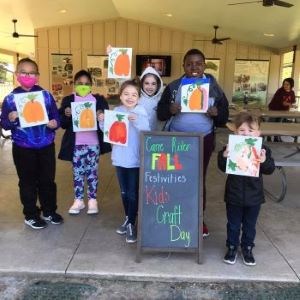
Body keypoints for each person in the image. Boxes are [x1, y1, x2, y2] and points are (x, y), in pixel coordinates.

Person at [157, 48, 229, 237]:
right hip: (176, 140)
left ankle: (197, 218)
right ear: (184, 66)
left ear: (204, 65)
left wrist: (216, 113)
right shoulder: (174, 87)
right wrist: (170, 109)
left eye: (198, 63)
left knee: (198, 179)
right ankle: (174, 216)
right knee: (175, 179)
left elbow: (224, 116)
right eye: (189, 63)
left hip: (203, 139)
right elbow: (161, 112)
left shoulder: (213, 87)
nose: (194, 67)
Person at [0, 57, 63, 229]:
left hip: (46, 145)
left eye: (32, 73)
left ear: (38, 75)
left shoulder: (45, 95)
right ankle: (31, 214)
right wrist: (11, 119)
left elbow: (56, 117)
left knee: (47, 180)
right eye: (24, 73)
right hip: (23, 147)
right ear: (17, 75)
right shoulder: (11, 99)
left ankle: (49, 210)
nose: (28, 76)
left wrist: (54, 124)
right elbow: (4, 123)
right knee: (27, 181)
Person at [218, 111, 275, 266]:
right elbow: (222, 167)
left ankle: (247, 248)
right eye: (242, 130)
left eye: (251, 131)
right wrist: (224, 155)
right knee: (233, 224)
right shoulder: (229, 147)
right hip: (234, 195)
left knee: (250, 225)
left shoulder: (263, 149)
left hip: (254, 196)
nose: (246, 134)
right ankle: (231, 247)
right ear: (235, 131)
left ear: (259, 133)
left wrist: (263, 161)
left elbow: (270, 169)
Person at [98, 79, 150, 243]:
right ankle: (128, 218)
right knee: (124, 192)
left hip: (135, 160)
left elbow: (146, 130)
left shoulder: (141, 112)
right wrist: (101, 119)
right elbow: (106, 130)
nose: (130, 97)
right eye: (126, 94)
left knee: (133, 193)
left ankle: (131, 222)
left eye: (134, 94)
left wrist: (136, 120)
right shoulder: (117, 111)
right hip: (120, 158)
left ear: (139, 98)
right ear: (120, 96)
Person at [58, 70, 111, 215]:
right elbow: (62, 123)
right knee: (78, 173)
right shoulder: (69, 100)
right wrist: (66, 113)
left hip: (93, 144)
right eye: (80, 84)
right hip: (76, 144)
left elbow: (107, 119)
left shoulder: (98, 100)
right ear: (75, 84)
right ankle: (79, 200)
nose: (83, 86)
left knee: (92, 173)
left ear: (91, 85)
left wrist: (102, 115)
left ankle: (93, 200)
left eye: (87, 84)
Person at [268, 77, 296, 142]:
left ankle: (276, 138)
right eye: (284, 84)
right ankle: (268, 136)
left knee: (279, 124)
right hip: (274, 109)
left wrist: (290, 107)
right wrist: (289, 105)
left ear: (291, 85)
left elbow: (292, 101)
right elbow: (282, 102)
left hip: (283, 111)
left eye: (287, 84)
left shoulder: (292, 92)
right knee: (271, 124)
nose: (285, 86)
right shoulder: (280, 91)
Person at [139, 66, 164, 130]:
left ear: (158, 85)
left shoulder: (161, 100)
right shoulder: (136, 100)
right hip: (139, 136)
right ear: (142, 84)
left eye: (153, 84)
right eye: (147, 83)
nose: (150, 87)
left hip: (155, 136)